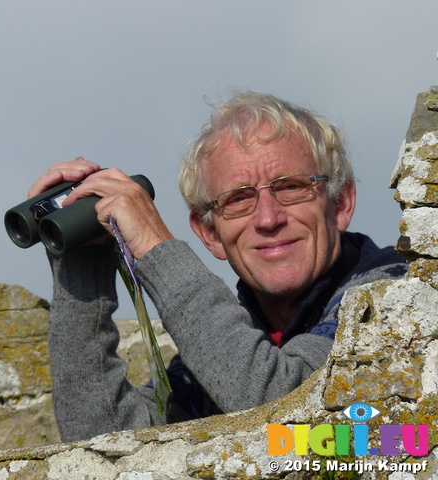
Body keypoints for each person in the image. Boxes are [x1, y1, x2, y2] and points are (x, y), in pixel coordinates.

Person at [28, 91, 407, 442]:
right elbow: (103, 443)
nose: (268, 218)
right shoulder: (227, 349)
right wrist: (81, 264)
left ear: (340, 204)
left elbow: (290, 413)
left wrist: (156, 248)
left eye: (291, 187)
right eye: (238, 199)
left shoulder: (395, 295)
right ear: (209, 234)